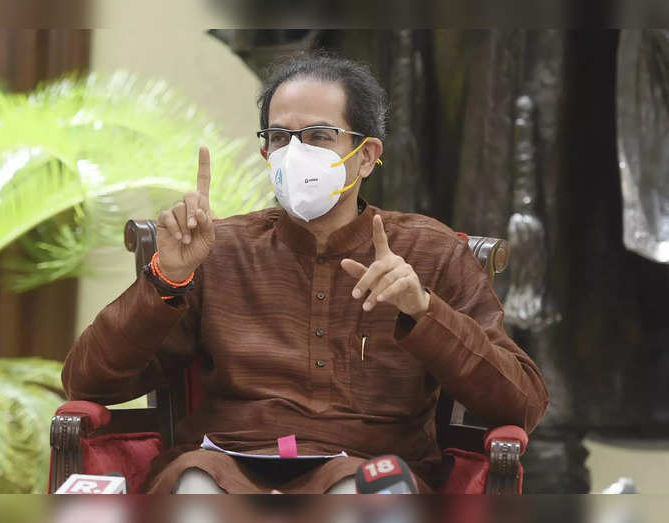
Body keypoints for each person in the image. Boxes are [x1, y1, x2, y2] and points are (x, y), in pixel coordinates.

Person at [62, 53, 548, 494]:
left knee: (364, 492)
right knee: (195, 487)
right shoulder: (216, 249)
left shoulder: (431, 251)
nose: (295, 154)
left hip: (367, 472)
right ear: (266, 154)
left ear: (366, 156)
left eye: (318, 136)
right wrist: (165, 279)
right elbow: (89, 383)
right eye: (279, 138)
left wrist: (424, 312)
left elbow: (520, 403)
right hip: (224, 471)